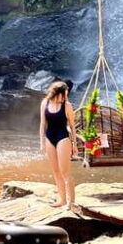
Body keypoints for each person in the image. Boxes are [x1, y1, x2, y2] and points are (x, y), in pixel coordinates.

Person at [39, 80, 78, 209]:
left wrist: (75, 145)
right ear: (56, 93)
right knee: (55, 171)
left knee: (65, 172)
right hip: (50, 138)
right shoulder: (45, 103)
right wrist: (42, 142)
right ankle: (61, 199)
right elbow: (43, 124)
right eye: (64, 94)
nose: (65, 96)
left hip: (63, 138)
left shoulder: (67, 106)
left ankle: (70, 202)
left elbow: (72, 126)